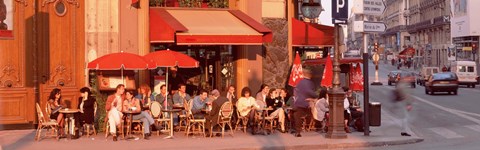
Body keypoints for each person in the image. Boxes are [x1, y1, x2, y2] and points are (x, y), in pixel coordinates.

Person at [293, 68, 317, 137]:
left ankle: (298, 131)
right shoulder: (309, 82)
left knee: (298, 116)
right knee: (312, 113)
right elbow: (309, 91)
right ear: (308, 75)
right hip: (306, 102)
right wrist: (316, 96)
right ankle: (318, 125)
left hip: (298, 102)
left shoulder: (298, 81)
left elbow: (295, 91)